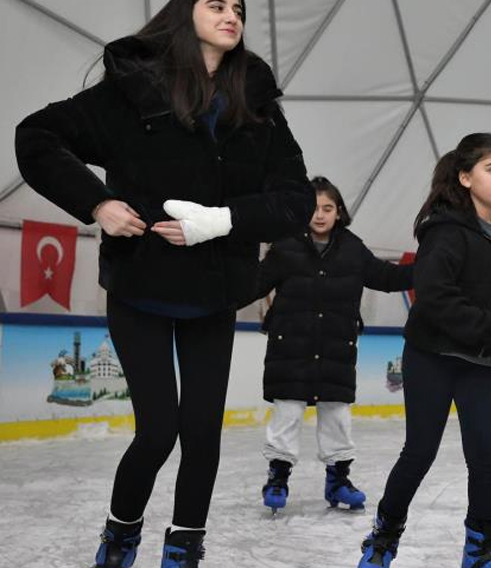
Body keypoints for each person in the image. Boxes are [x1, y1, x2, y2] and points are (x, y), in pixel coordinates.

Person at [14, 1, 313, 566]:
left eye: (240, 7)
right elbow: (36, 137)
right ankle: (122, 533)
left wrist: (220, 221)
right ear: (184, 13)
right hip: (140, 286)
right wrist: (97, 202)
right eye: (217, 4)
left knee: (202, 434)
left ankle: (183, 547)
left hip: (214, 291)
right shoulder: (132, 91)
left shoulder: (258, 108)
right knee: (157, 433)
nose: (233, 14)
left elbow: (297, 200)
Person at [357, 133, 491, 568]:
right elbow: (435, 296)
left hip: (482, 365)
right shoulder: (445, 230)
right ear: (466, 177)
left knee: (485, 457)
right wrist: (490, 330)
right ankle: (383, 537)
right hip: (433, 357)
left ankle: (481, 549)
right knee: (419, 452)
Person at [255, 176, 413, 513]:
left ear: (339, 212)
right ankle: (278, 478)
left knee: (337, 416)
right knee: (287, 413)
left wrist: (427, 267)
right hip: (290, 350)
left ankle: (338, 481)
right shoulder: (285, 247)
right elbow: (254, 283)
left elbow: (386, 277)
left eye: (328, 208)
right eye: (313, 208)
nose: (320, 215)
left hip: (335, 352)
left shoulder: (353, 249)